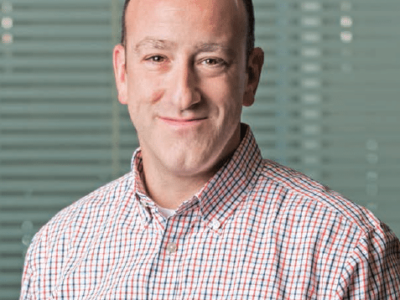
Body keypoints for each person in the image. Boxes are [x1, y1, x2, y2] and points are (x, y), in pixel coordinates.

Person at [20, 0, 400, 298]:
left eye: (211, 61)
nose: (183, 95)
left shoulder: (348, 250)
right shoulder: (57, 250)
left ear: (250, 76)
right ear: (123, 73)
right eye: (156, 58)